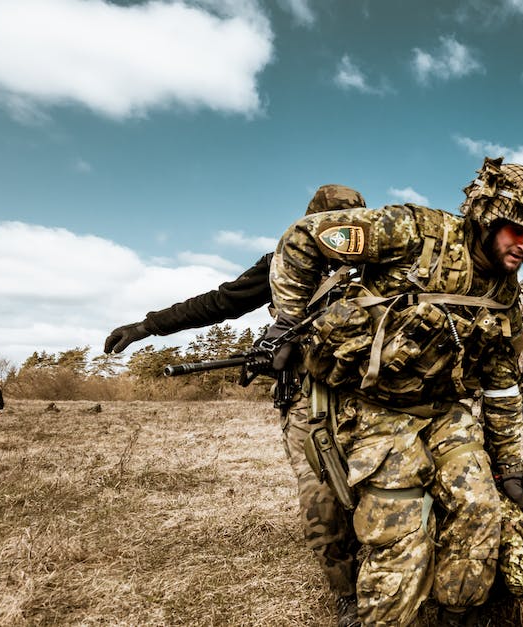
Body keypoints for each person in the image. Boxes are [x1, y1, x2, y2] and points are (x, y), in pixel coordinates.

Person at [269, 158, 523, 626]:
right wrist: (289, 322)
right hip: (374, 407)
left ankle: (458, 613)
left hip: (443, 410)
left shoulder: (507, 296)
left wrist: (509, 463)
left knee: (479, 510)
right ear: (488, 216)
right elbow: (304, 238)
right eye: (519, 231)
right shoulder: (415, 233)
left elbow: (499, 386)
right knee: (399, 536)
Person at [103, 184, 366, 627]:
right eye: (329, 227)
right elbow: (220, 302)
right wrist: (149, 325)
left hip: (369, 398)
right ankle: (347, 598)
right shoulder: (284, 264)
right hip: (306, 399)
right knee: (321, 500)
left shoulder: (385, 264)